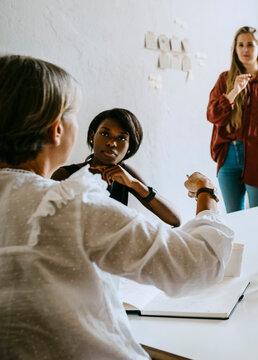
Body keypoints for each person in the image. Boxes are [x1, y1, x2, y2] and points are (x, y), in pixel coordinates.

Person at [0, 55, 233, 359]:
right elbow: (200, 263)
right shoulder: (71, 200)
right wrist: (206, 188)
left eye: (121, 139)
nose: (110, 143)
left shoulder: (110, 182)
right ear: (56, 129)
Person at [52, 108, 181, 227]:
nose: (111, 143)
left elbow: (175, 220)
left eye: (121, 138)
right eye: (104, 133)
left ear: (129, 148)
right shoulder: (65, 175)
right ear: (92, 136)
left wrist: (135, 184)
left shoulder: (126, 175)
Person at [207, 26, 258, 213]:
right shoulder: (224, 79)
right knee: (234, 217)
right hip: (228, 158)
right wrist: (234, 91)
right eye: (240, 45)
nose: (245, 49)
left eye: (250, 44)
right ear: (235, 49)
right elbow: (213, 115)